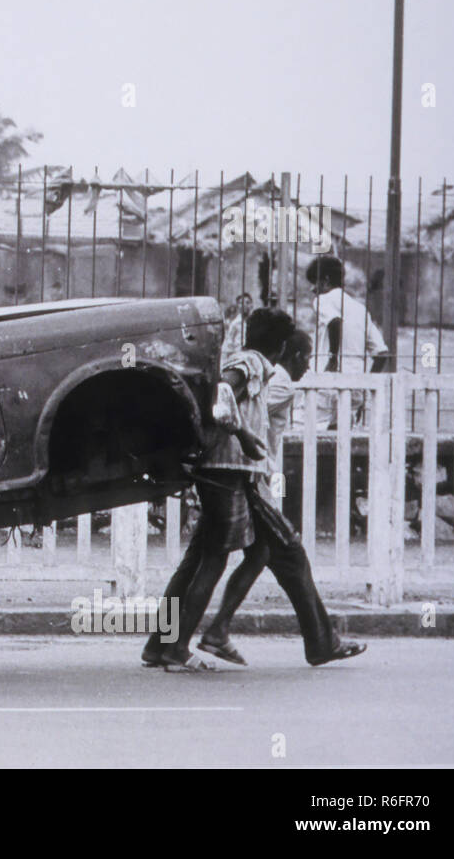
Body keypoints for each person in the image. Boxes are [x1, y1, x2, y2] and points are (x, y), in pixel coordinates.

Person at [197, 324, 367, 667]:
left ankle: (211, 632)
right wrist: (242, 434)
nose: (307, 366)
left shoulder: (263, 373)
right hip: (251, 480)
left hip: (248, 477)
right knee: (292, 557)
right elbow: (238, 400)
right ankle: (320, 643)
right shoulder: (279, 381)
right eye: (306, 357)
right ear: (295, 354)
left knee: (258, 554)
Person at [141, 309, 275, 672]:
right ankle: (177, 648)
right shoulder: (254, 362)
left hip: (216, 466)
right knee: (214, 560)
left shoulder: (245, 358)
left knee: (195, 561)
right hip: (227, 468)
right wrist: (244, 435)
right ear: (278, 346)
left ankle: (159, 644)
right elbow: (224, 390)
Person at [305, 256, 389, 427]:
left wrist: (333, 359)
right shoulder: (360, 309)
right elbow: (382, 354)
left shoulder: (322, 300)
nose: (312, 289)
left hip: (327, 379)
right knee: (342, 438)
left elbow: (335, 321)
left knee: (314, 433)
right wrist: (366, 386)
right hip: (355, 382)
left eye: (315, 282)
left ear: (326, 281)